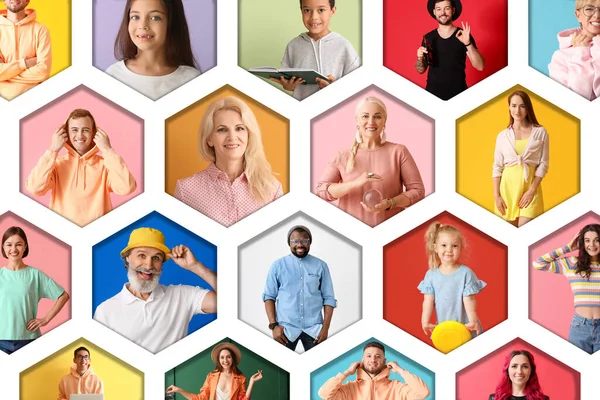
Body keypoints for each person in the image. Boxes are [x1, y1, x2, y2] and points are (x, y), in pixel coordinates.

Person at [93, 227, 217, 354]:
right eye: (142, 255)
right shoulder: (105, 311)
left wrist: (195, 266)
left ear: (162, 263)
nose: (148, 266)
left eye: (156, 258)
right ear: (128, 258)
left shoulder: (182, 296)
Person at [315, 97, 425, 227]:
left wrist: (391, 203)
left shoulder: (399, 152)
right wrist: (354, 184)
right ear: (357, 120)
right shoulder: (342, 155)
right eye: (365, 116)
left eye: (377, 117)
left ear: (385, 121)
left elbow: (418, 192)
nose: (371, 122)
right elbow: (320, 192)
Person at [174, 96, 283, 227]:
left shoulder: (272, 188)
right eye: (222, 130)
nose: (232, 137)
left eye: (240, 128)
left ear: (249, 135)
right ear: (209, 139)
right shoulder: (186, 190)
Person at [25, 109, 137, 227]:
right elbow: (34, 188)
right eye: (74, 130)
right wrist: (52, 150)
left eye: (85, 130)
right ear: (66, 133)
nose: (80, 135)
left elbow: (127, 188)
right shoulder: (56, 165)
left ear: (94, 133)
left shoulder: (106, 165)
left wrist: (108, 150)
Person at [106, 0, 201, 100]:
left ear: (172, 24)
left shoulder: (192, 79)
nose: (142, 26)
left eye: (155, 18)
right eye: (135, 17)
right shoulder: (113, 75)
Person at [262, 225, 336, 352]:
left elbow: (328, 298)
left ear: (310, 242)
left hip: (314, 330)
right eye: (295, 241)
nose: (300, 245)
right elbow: (269, 297)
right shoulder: (277, 266)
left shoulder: (321, 266)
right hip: (285, 329)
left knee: (316, 368)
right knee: (282, 368)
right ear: (289, 243)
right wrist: (274, 326)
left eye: (304, 241)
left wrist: (325, 328)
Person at [269, 0, 361, 100]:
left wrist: (336, 88)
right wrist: (288, 86)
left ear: (332, 10)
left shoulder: (344, 46)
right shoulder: (293, 46)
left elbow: (359, 85)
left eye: (321, 10)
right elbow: (288, 80)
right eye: (307, 10)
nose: (314, 17)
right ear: (301, 11)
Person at [0, 226, 70, 354]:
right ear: (3, 247)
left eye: (18, 244)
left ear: (25, 246)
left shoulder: (35, 275)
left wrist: (46, 319)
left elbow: (63, 296)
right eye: (9, 245)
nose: (13, 249)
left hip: (29, 340)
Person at [532, 224, 600, 354]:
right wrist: (567, 248)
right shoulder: (571, 263)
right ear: (582, 243)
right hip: (580, 327)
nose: (592, 244)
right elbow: (538, 264)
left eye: (597, 240)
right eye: (587, 240)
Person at [418, 222, 486, 340]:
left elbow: (469, 299)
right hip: (445, 330)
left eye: (454, 246)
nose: (449, 249)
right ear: (435, 248)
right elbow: (428, 301)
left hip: (466, 328)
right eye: (444, 245)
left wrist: (473, 321)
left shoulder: (466, 273)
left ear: (460, 248)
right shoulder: (431, 275)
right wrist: (425, 321)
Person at [492, 91, 548, 227]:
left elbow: (544, 164)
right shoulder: (502, 136)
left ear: (528, 108)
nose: (517, 110)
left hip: (530, 190)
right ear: (509, 107)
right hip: (506, 191)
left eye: (522, 106)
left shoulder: (540, 132)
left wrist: (531, 190)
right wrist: (496, 196)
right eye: (514, 105)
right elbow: (497, 167)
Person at [415, 0, 485, 100]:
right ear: (434, 12)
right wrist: (420, 58)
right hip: (432, 95)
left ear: (453, 10)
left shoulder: (463, 35)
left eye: (446, 8)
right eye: (439, 9)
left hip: (459, 95)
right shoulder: (428, 37)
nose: (442, 13)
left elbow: (480, 66)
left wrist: (468, 43)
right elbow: (421, 70)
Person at [317, 341, 430, 399]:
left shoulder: (396, 388)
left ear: (384, 361)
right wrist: (346, 373)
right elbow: (324, 394)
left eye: (378, 356)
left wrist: (400, 370)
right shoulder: (350, 389)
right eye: (369, 356)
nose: (373, 359)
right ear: (362, 360)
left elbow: (423, 392)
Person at [166, 342, 263, 400]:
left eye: (228, 357)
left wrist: (251, 382)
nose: (225, 361)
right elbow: (200, 398)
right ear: (219, 359)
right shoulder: (211, 376)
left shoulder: (241, 378)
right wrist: (179, 390)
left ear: (232, 358)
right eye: (222, 357)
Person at [548, 0, 600, 100]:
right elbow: (573, 100)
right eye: (589, 9)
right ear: (578, 15)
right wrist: (581, 52)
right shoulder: (560, 57)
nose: (597, 15)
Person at [0, 0, 51, 100]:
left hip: (34, 100)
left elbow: (43, 72)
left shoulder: (41, 30)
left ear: (27, 1)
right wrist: (25, 64)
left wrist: (5, 74)